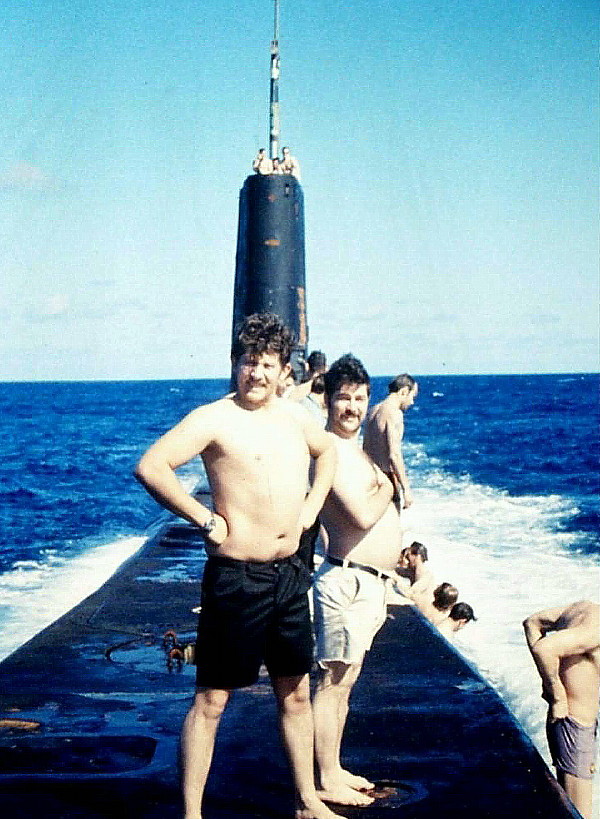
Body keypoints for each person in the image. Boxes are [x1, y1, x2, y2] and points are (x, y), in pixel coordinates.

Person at [134, 312, 340, 819]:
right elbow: (151, 466)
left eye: (267, 364)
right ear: (236, 365)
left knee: (295, 694)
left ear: (284, 371)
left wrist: (311, 510)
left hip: (290, 577)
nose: (257, 373)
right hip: (236, 580)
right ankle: (192, 814)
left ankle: (307, 802)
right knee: (212, 701)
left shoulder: (295, 417)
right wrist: (203, 517)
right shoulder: (213, 418)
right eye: (249, 362)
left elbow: (328, 450)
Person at [312, 354, 402, 807]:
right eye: (343, 397)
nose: (351, 407)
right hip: (345, 582)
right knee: (332, 683)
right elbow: (362, 514)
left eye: (360, 398)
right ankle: (324, 778)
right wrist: (388, 483)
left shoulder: (357, 452)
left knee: (345, 683)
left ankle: (333, 766)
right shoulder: (329, 451)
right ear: (328, 400)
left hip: (369, 583)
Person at [523, 601, 600, 819]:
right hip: (576, 727)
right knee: (579, 813)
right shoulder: (597, 630)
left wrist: (548, 684)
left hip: (568, 723)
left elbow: (532, 623)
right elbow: (544, 648)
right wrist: (556, 693)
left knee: (566, 803)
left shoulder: (584, 608)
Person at [363, 373, 418, 512]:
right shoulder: (394, 413)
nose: (412, 402)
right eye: (412, 396)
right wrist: (406, 489)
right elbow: (394, 455)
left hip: (369, 476)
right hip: (386, 479)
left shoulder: (373, 410)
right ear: (403, 391)